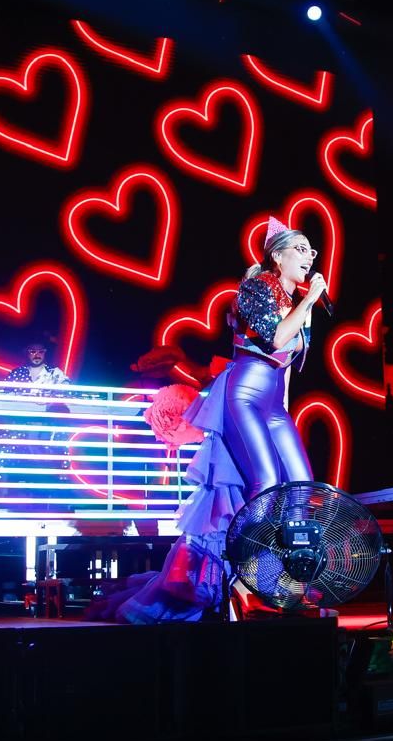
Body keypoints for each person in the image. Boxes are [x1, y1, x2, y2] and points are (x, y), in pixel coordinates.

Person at [87, 217, 325, 623]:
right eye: (300, 248)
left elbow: (286, 367)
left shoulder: (296, 302)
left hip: (272, 399)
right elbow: (277, 340)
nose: (309, 257)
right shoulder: (255, 288)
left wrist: (281, 409)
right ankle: (251, 580)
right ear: (277, 255)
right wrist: (309, 300)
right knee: (265, 483)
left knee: (301, 488)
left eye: (311, 250)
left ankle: (289, 577)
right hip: (245, 390)